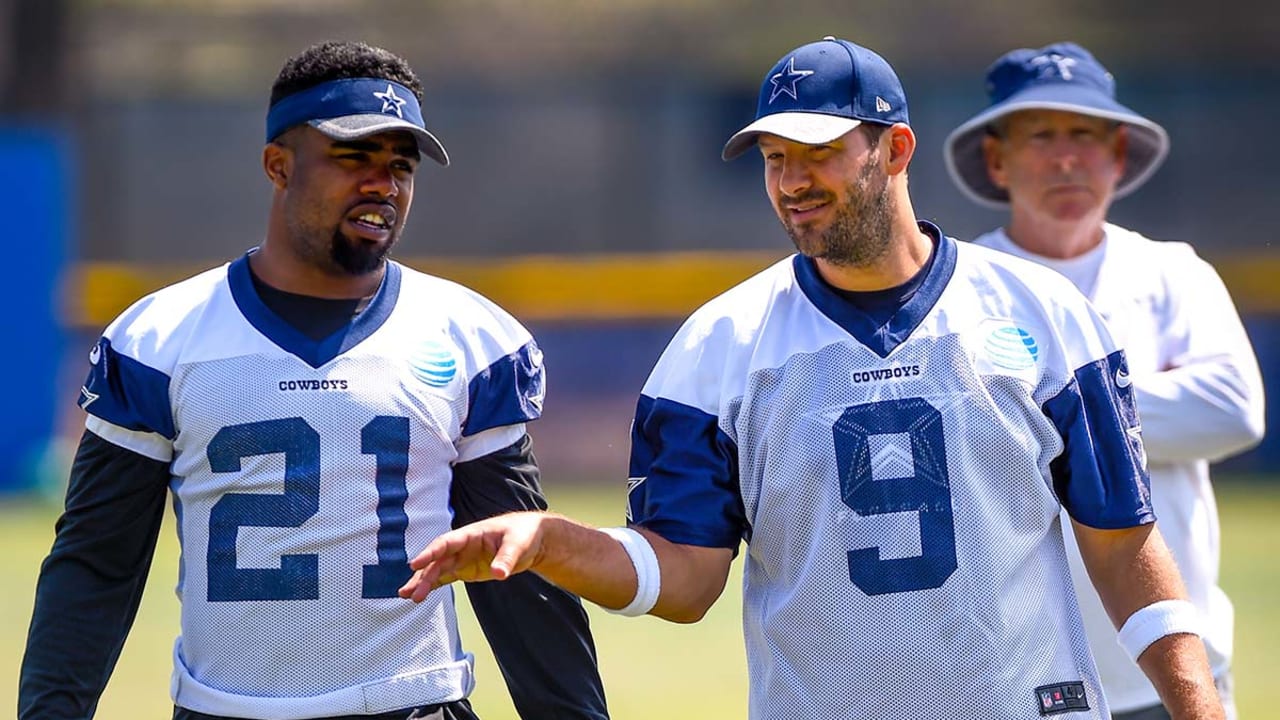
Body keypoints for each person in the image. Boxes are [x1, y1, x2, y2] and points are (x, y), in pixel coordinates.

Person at [399, 36, 1229, 719]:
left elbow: (1122, 543)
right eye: (773, 156)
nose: (793, 181)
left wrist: (1197, 708)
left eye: (820, 152)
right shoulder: (717, 348)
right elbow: (684, 578)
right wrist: (554, 542)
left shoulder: (1043, 312)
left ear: (895, 149)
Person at [19, 41, 609, 720]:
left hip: (412, 704)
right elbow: (96, 565)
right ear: (278, 165)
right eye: (354, 158)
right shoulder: (162, 339)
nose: (383, 185)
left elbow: (517, 574)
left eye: (400, 166)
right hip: (227, 709)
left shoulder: (468, 336)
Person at [943, 41, 1266, 720]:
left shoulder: (1174, 272)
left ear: (1118, 154)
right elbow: (961, 444)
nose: (1066, 157)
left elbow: (1235, 412)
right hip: (1016, 674)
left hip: (1178, 668)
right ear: (998, 159)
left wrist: (1036, 408)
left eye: (1086, 134)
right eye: (1041, 135)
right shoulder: (959, 289)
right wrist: (1147, 395)